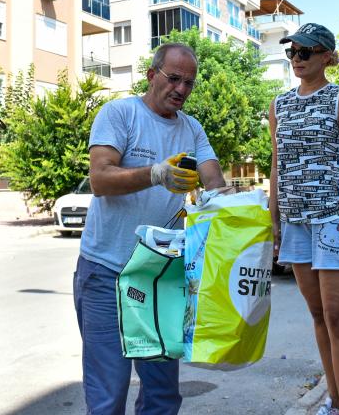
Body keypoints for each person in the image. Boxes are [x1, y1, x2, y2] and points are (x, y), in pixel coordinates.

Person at [74, 42, 225, 415]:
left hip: (161, 277)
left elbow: (215, 184)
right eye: (173, 78)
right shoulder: (120, 114)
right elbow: (100, 179)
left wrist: (239, 209)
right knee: (108, 394)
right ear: (151, 74)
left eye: (188, 83)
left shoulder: (192, 129)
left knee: (162, 394)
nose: (181, 89)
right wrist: (156, 173)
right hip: (108, 272)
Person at [268, 23, 339, 415]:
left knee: (338, 317)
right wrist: (274, 219)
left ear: (326, 56)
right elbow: (278, 163)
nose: (296, 59)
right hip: (296, 221)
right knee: (317, 316)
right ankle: (334, 400)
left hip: (335, 219)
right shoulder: (279, 104)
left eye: (305, 52)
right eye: (291, 52)